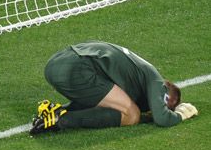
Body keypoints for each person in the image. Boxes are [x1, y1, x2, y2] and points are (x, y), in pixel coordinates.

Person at [30, 40, 199, 135]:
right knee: (131, 114)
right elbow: (162, 119)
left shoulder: (137, 75)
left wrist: (146, 117)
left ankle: (54, 111)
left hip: (57, 63)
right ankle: (60, 121)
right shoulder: (157, 82)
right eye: (166, 106)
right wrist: (180, 114)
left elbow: (104, 103)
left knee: (110, 103)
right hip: (76, 69)